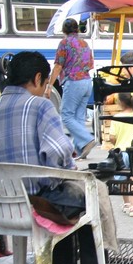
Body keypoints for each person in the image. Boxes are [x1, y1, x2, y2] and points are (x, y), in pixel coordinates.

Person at [0, 51, 117, 264]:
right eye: (45, 84)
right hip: (35, 202)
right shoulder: (40, 105)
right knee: (89, 190)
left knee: (66, 189)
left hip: (0, 205)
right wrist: (70, 169)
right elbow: (59, 151)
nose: (45, 89)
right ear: (38, 77)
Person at [45, 18, 96, 160]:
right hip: (87, 82)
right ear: (77, 30)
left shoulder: (64, 43)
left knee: (66, 115)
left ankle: (86, 139)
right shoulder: (84, 43)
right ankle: (80, 150)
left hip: (74, 81)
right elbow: (90, 64)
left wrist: (49, 86)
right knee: (79, 116)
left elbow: (58, 66)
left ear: (64, 30)